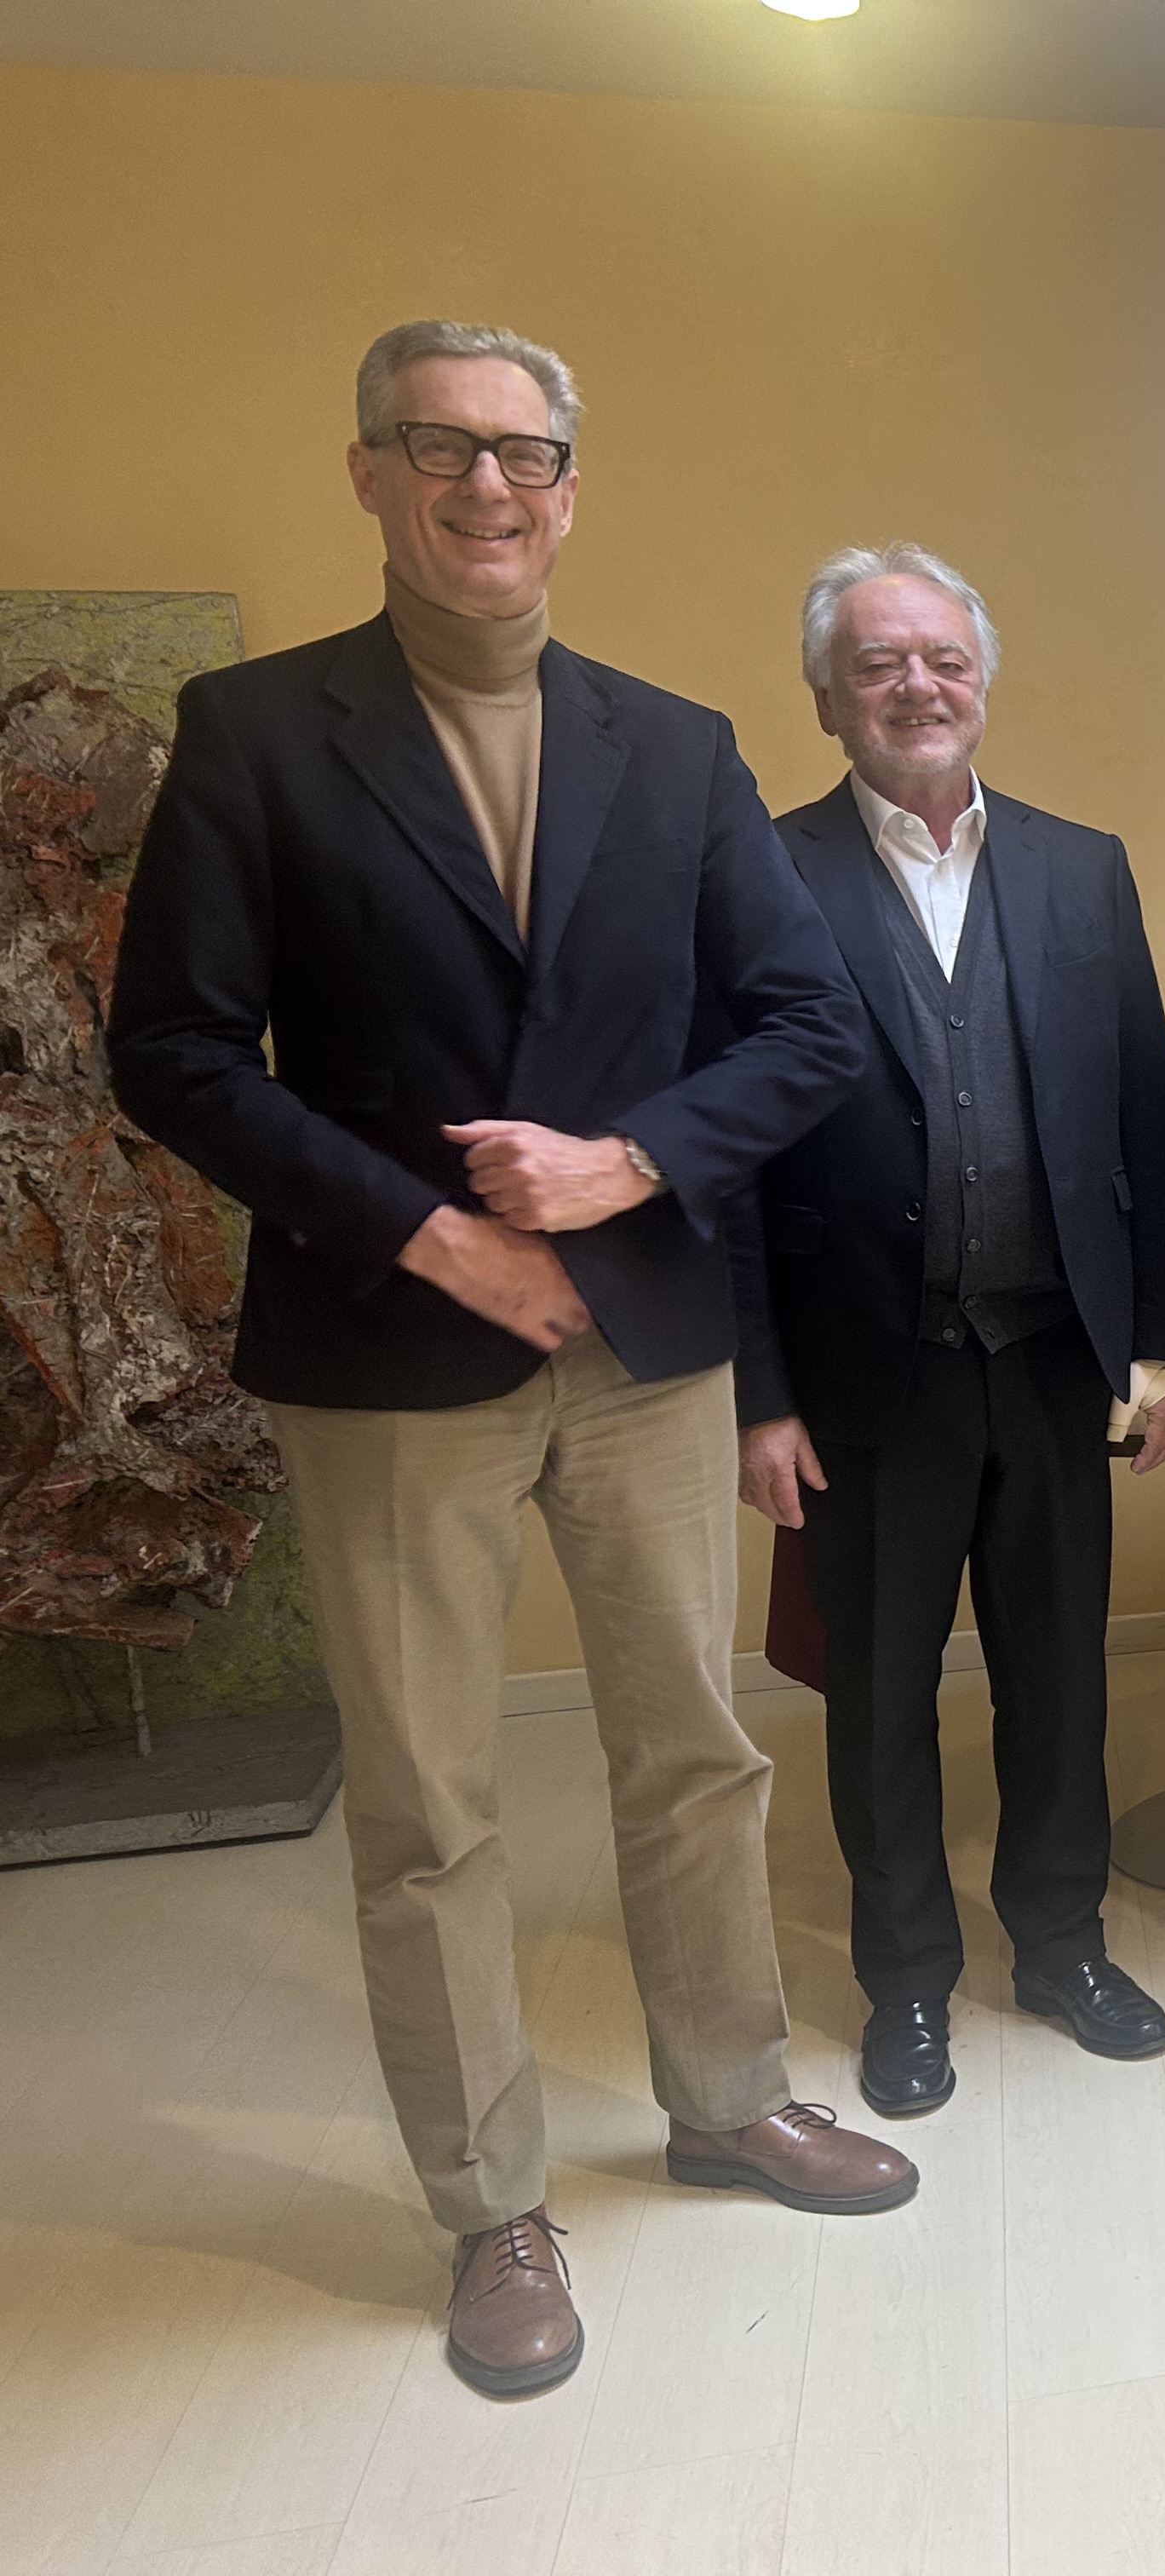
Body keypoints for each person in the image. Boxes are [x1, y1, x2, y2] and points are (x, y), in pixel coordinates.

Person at [106, 319, 911, 2402]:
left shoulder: (679, 744)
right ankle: (491, 2206)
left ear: (570, 488)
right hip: (385, 1352)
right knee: (430, 1807)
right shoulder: (257, 731)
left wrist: (626, 1162)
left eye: (525, 453)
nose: (488, 486)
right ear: (369, 473)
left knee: (696, 1750)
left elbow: (808, 1028)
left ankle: (729, 2099)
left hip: (644, 1340)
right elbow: (171, 1052)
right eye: (440, 446)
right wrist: (434, 1229)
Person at [729, 544, 1165, 2119]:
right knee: (880, 1700)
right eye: (878, 664)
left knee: (1060, 1679)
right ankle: (910, 1982)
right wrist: (758, 1394)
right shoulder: (762, 874)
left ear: (983, 681)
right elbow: (730, 1164)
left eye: (943, 659)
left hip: (1057, 1359)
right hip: (866, 1380)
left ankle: (1062, 1943)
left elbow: (1143, 1117)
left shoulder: (1081, 868)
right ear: (827, 699)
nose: (917, 687)